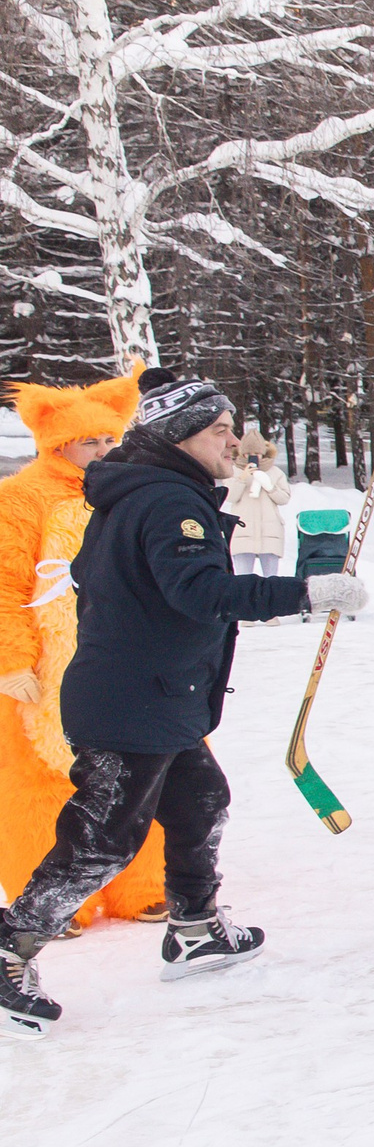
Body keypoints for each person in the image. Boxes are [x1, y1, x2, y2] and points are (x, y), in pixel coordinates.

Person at [0, 373, 367, 1039]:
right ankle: (9, 948)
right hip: (132, 702)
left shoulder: (138, 493)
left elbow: (89, 574)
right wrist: (307, 593)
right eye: (219, 429)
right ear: (181, 435)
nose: (233, 440)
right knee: (102, 842)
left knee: (203, 801)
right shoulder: (170, 501)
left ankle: (195, 928)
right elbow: (201, 593)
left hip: (155, 695)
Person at [0, 365, 167, 935]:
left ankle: (141, 886)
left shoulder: (127, 491)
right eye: (86, 441)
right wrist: (13, 661)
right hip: (46, 666)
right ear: (57, 443)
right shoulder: (21, 498)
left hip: (122, 656)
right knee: (46, 780)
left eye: (106, 438)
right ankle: (48, 898)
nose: (100, 450)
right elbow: (5, 582)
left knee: (137, 771)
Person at [222, 423, 292, 576]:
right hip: (243, 532)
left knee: (271, 578)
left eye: (257, 453)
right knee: (242, 578)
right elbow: (230, 496)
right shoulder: (233, 471)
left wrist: (269, 486)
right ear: (242, 453)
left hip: (270, 532)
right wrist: (242, 478)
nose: (253, 457)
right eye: (248, 453)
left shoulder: (275, 472)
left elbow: (284, 498)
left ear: (263, 452)